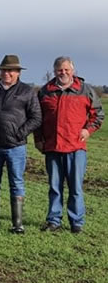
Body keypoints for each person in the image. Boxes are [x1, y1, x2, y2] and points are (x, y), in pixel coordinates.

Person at [34, 56, 104, 234]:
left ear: (73, 71)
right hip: (53, 147)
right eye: (59, 70)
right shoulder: (45, 92)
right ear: (54, 71)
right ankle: (53, 221)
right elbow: (37, 119)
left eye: (66, 69)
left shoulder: (84, 90)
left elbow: (98, 115)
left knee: (76, 188)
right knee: (54, 187)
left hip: (76, 147)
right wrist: (39, 140)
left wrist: (88, 130)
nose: (63, 72)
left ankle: (76, 222)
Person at [0, 54, 41, 234]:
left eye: (11, 71)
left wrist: (20, 133)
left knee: (17, 183)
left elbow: (36, 118)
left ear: (18, 73)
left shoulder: (27, 92)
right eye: (4, 70)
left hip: (16, 147)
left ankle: (17, 223)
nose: (7, 73)